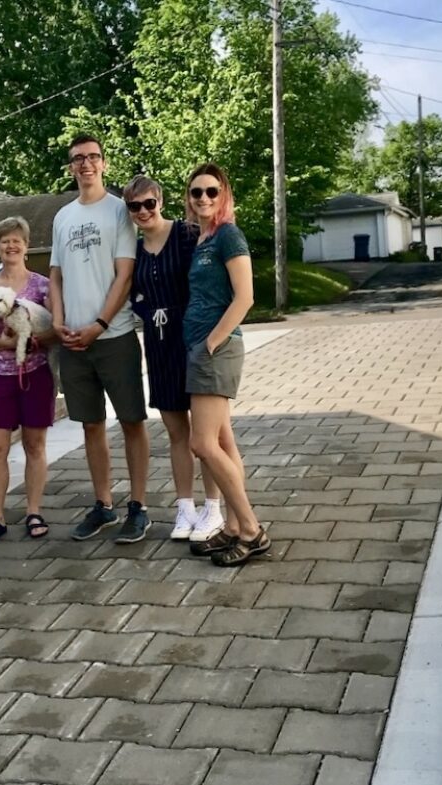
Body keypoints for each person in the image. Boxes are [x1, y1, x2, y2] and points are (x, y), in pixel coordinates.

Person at [50, 134, 151, 544]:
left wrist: (100, 323)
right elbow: (55, 275)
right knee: (91, 424)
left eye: (93, 157)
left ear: (103, 164)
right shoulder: (62, 217)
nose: (86, 164)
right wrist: (58, 322)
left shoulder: (119, 212)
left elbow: (124, 273)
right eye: (78, 159)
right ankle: (103, 504)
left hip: (115, 335)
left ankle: (139, 507)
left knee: (131, 421)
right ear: (71, 166)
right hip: (73, 341)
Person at [123, 174, 226, 542]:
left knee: (207, 434)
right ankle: (185, 508)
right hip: (158, 343)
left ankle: (213, 507)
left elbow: (209, 278)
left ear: (160, 201)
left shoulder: (185, 235)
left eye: (149, 203)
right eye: (134, 206)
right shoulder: (133, 250)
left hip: (192, 339)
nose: (143, 211)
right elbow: (131, 292)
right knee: (176, 432)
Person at [182, 163, 271, 566]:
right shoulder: (202, 239)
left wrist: (211, 343)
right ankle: (234, 527)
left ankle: (251, 530)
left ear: (224, 195)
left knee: (201, 444)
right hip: (200, 348)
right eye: (197, 192)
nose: (204, 198)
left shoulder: (228, 235)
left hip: (215, 350)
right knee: (222, 443)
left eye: (211, 192)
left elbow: (245, 297)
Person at [0, 216, 56, 544]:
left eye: (17, 240)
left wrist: (36, 340)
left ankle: (33, 511)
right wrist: (9, 344)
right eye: (5, 240)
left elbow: (55, 331)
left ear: (26, 245)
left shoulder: (42, 286)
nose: (11, 245)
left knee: (35, 446)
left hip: (36, 374)